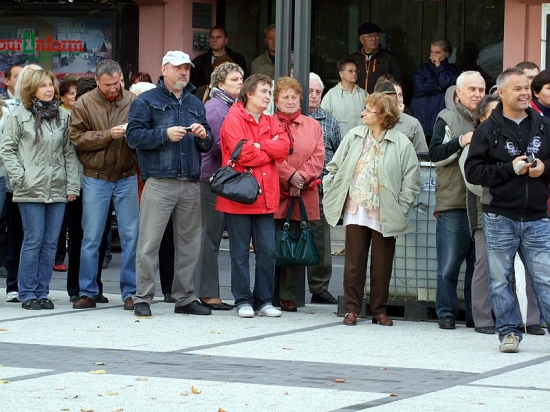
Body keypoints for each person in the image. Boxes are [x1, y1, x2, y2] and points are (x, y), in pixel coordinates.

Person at [465, 67, 550, 353]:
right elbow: (473, 171)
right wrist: (509, 169)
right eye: (518, 88)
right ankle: (509, 332)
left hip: (537, 216)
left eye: (527, 87)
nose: (525, 93)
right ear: (501, 93)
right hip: (500, 215)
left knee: (546, 278)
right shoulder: (487, 129)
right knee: (500, 279)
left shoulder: (544, 125)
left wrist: (544, 168)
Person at [126, 50, 213, 317]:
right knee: (149, 243)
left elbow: (208, 143)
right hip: (160, 180)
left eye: (186, 68)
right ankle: (143, 297)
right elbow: (133, 137)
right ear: (164, 69)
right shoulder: (146, 100)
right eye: (177, 68)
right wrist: (163, 135)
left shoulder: (195, 102)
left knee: (189, 245)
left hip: (190, 181)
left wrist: (203, 135)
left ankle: (184, 297)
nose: (183, 72)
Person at [323, 93, 420, 326]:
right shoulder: (354, 135)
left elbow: (411, 179)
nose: (363, 113)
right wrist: (331, 187)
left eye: (368, 110)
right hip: (356, 207)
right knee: (353, 263)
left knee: (382, 264)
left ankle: (379, 310)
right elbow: (334, 166)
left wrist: (402, 207)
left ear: (383, 115)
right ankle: (351, 309)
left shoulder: (401, 142)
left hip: (386, 210)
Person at [0, 69, 80, 310]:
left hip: (57, 188)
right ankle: (27, 292)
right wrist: (20, 177)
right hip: (30, 188)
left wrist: (72, 185)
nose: (49, 89)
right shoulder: (19, 115)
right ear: (31, 88)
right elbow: (7, 149)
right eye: (43, 85)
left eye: (51, 85)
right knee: (33, 240)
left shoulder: (63, 116)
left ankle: (43, 292)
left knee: (50, 242)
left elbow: (69, 153)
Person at [216, 73, 290, 318]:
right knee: (239, 253)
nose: (268, 96)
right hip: (239, 196)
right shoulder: (234, 117)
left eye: (269, 92)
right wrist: (268, 150)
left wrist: (260, 146)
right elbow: (243, 153)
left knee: (268, 251)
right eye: (264, 91)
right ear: (249, 93)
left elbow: (284, 148)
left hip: (266, 196)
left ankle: (264, 300)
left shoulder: (271, 120)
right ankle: (243, 300)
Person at [70, 59, 139, 310]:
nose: (113, 88)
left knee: (131, 236)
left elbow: (145, 133)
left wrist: (133, 135)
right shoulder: (84, 103)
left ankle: (131, 293)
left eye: (117, 83)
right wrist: (108, 135)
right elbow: (76, 138)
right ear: (97, 81)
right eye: (108, 84)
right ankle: (88, 291)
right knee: (91, 236)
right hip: (95, 176)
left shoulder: (133, 101)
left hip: (126, 174)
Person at [429, 71, 485, 330]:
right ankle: (446, 313)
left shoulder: (491, 117)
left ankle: (476, 315)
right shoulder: (446, 117)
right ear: (458, 93)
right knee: (449, 265)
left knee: (479, 265)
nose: (477, 94)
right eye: (472, 89)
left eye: (481, 89)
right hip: (453, 202)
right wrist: (461, 141)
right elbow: (435, 155)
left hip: (483, 204)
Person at [271, 77, 325, 312]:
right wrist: (289, 177)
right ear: (276, 100)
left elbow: (318, 157)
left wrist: (300, 178)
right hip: (275, 193)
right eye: (285, 97)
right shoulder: (268, 123)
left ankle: (288, 296)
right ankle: (267, 293)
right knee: (270, 244)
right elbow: (269, 155)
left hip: (303, 193)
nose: (290, 101)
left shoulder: (313, 126)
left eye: (294, 97)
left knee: (295, 242)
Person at [195, 61, 244, 311]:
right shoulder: (216, 107)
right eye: (235, 79)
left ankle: (208, 291)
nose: (240, 83)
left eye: (241, 79)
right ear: (220, 83)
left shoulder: (230, 106)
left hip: (221, 178)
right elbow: (216, 145)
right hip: (211, 178)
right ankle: (207, 293)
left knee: (212, 236)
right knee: (208, 237)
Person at [458, 94, 500, 334]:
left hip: (512, 212)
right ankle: (483, 318)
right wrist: (505, 182)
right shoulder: (473, 143)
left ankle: (510, 316)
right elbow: (473, 181)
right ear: (481, 117)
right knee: (483, 266)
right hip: (483, 214)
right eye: (493, 113)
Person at [307, 72, 341, 305]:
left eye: (318, 92)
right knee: (290, 237)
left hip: (320, 191)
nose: (314, 95)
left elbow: (338, 155)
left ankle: (319, 288)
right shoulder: (288, 117)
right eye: (309, 91)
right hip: (292, 190)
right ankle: (287, 291)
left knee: (321, 240)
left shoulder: (330, 121)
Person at [53, 77, 80, 273]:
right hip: (59, 174)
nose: (75, 97)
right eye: (71, 93)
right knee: (61, 220)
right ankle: (58, 257)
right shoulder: (58, 116)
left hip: (79, 173)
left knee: (75, 221)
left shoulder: (82, 113)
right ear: (62, 97)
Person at [411, 39, 460, 139]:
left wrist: (439, 67)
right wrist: (437, 87)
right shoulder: (422, 68)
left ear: (446, 54)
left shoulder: (451, 69)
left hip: (438, 110)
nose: (433, 55)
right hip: (420, 113)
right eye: (431, 52)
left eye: (437, 52)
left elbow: (445, 84)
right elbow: (418, 88)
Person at [373, 81, 428, 153]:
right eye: (383, 99)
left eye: (390, 99)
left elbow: (421, 156)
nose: (386, 103)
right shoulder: (363, 122)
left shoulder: (413, 124)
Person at [321, 58, 368, 138]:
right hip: (340, 140)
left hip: (361, 139)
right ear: (341, 74)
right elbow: (323, 118)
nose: (354, 73)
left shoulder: (363, 94)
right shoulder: (332, 94)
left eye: (356, 71)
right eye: (350, 71)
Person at [349, 22, 402, 94]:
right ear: (361, 40)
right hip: (358, 98)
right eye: (370, 36)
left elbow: (398, 82)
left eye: (376, 35)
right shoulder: (354, 59)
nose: (374, 39)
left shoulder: (388, 58)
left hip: (381, 99)